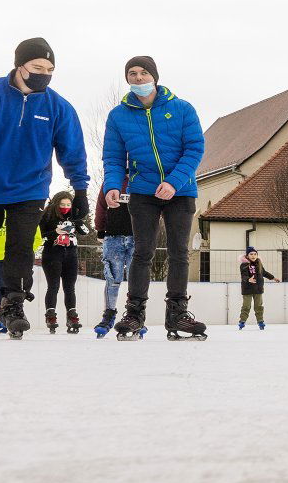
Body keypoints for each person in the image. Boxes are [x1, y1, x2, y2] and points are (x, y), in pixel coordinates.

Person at [0, 37, 89, 340]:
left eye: (50, 69)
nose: (44, 74)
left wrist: (82, 191)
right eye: (37, 67)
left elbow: (72, 150)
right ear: (19, 65)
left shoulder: (57, 107)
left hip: (30, 189)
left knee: (20, 248)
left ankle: (12, 304)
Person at [102, 56, 206, 341]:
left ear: (155, 76)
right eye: (132, 73)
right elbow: (113, 157)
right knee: (142, 252)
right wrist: (111, 185)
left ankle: (178, 314)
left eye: (143, 72)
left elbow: (195, 148)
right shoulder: (118, 115)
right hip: (143, 191)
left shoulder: (182, 109)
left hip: (180, 191)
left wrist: (174, 182)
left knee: (178, 253)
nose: (137, 78)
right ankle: (134, 314)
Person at [39, 191, 87, 334]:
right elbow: (40, 234)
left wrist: (78, 222)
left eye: (68, 204)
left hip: (71, 254)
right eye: (62, 204)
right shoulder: (48, 216)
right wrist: (55, 232)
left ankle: (72, 317)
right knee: (53, 286)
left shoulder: (73, 217)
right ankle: (51, 316)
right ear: (56, 204)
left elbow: (85, 231)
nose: (65, 207)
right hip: (52, 254)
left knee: (69, 287)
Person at [93, 179, 135, 338]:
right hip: (113, 236)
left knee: (135, 278)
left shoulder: (142, 176)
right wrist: (100, 227)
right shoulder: (111, 181)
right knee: (113, 278)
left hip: (137, 236)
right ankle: (109, 313)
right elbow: (101, 205)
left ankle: (134, 314)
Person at [0, 219, 43, 333]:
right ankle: (3, 318)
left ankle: (16, 315)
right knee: (1, 287)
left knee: (17, 287)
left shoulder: (24, 212)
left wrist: (26, 251)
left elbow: (37, 238)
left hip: (19, 257)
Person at [238, 246, 279, 329]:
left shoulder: (259, 263)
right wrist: (249, 279)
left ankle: (260, 321)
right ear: (247, 256)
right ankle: (242, 321)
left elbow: (264, 272)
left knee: (259, 306)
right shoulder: (244, 265)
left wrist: (273, 278)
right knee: (246, 306)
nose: (253, 256)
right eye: (251, 254)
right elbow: (244, 275)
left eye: (255, 254)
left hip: (258, 289)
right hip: (247, 289)